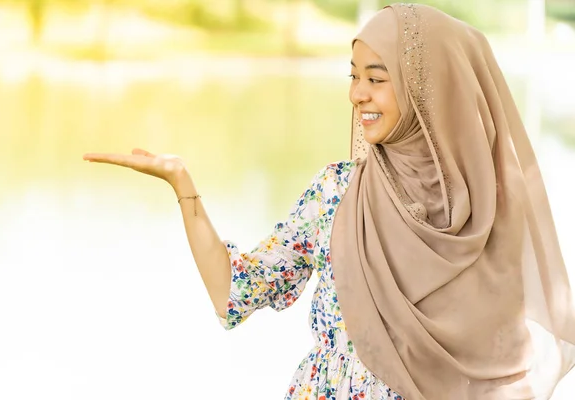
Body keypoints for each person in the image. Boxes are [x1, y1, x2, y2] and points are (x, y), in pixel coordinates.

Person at [83, 3, 575, 399]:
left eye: (377, 78)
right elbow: (236, 291)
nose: (357, 94)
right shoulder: (337, 194)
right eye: (353, 76)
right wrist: (181, 184)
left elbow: (505, 370)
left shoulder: (489, 220)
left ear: (427, 90)